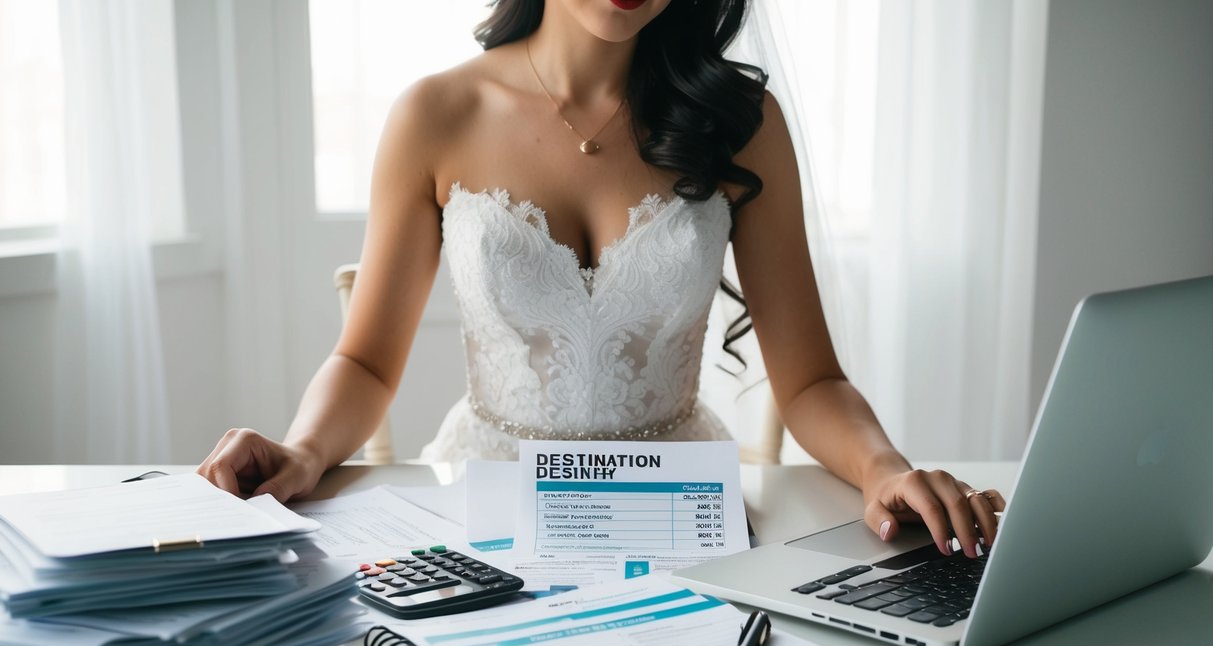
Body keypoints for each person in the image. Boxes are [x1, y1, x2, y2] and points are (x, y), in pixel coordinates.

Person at [198, 0, 1004, 558]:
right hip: (491, 511)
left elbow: (811, 382)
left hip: (678, 518)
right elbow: (366, 362)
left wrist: (884, 469)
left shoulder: (740, 123)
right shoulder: (435, 115)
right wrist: (303, 450)